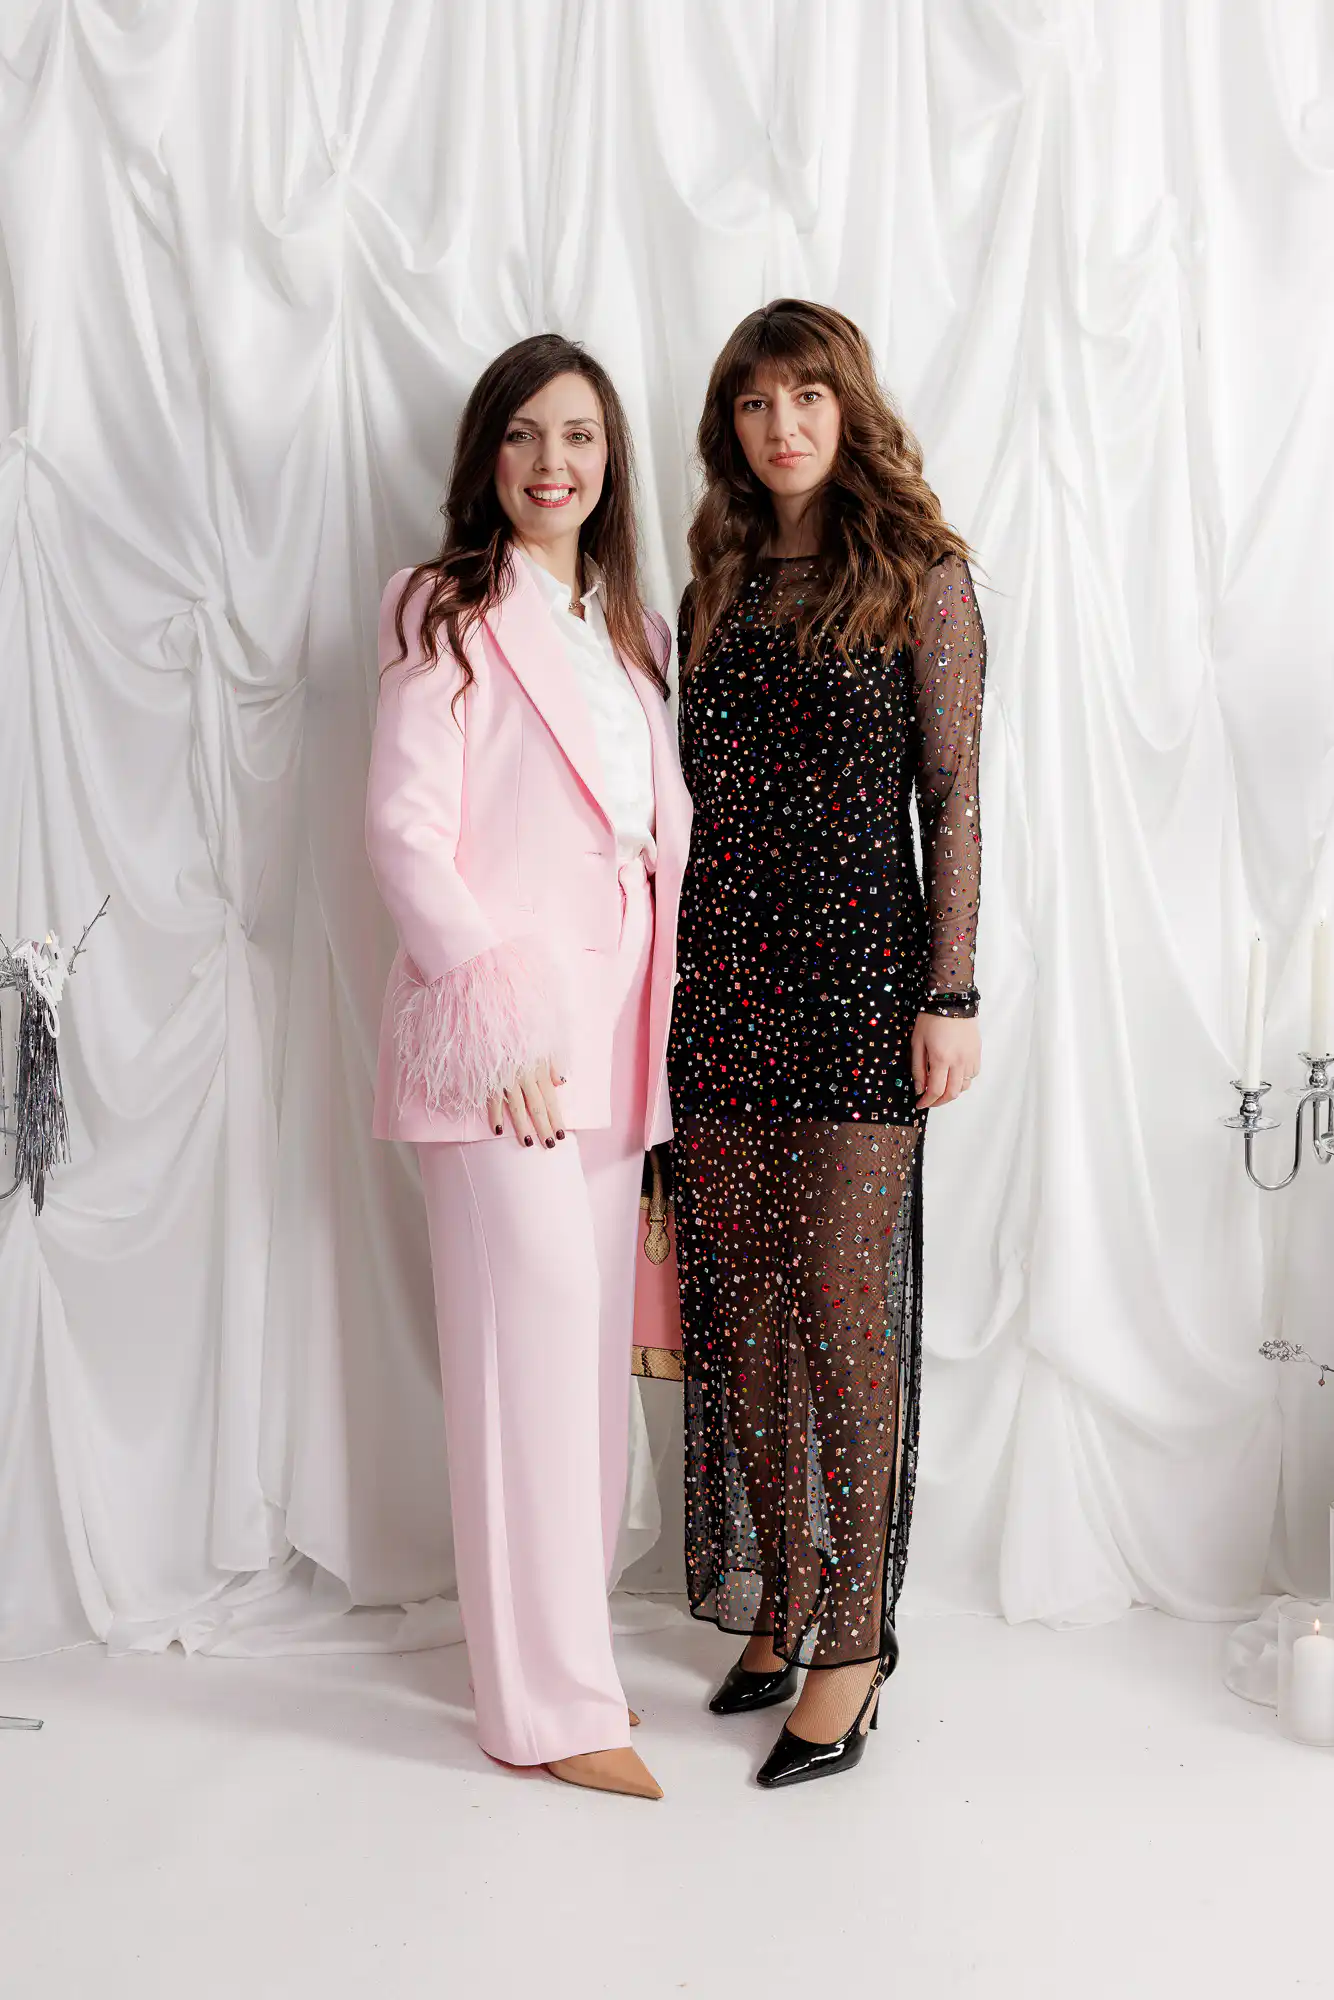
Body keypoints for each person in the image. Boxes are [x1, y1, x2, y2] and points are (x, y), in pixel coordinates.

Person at [365, 333, 692, 1801]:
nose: (553, 462)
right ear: (486, 456)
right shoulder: (442, 607)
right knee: (524, 1362)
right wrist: (490, 1013)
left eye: (580, 436)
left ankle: (574, 1667)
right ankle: (546, 1710)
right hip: (496, 1045)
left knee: (583, 1368)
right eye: (524, 435)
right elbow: (402, 833)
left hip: (618, 1038)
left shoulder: (635, 631)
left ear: (610, 460)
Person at [670, 299, 985, 1788]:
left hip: (863, 987)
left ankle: (854, 1641)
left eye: (805, 396)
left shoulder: (923, 575)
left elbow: (955, 797)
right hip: (720, 982)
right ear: (729, 428)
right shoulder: (711, 584)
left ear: (848, 407)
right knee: (740, 1310)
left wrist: (950, 993)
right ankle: (784, 1591)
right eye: (754, 403)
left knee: (844, 1311)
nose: (781, 425)